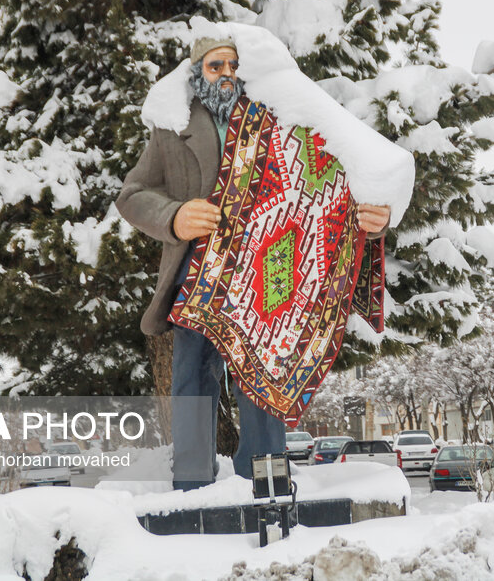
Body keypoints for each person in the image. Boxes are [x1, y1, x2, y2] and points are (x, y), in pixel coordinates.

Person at [116, 35, 390, 490]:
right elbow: (131, 195)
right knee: (190, 379)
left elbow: (343, 185)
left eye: (233, 66)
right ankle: (191, 483)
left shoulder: (288, 124)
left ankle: (266, 477)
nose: (225, 74)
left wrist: (374, 219)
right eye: (214, 66)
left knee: (262, 374)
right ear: (197, 72)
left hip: (269, 271)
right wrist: (175, 216)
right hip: (196, 275)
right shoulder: (172, 129)